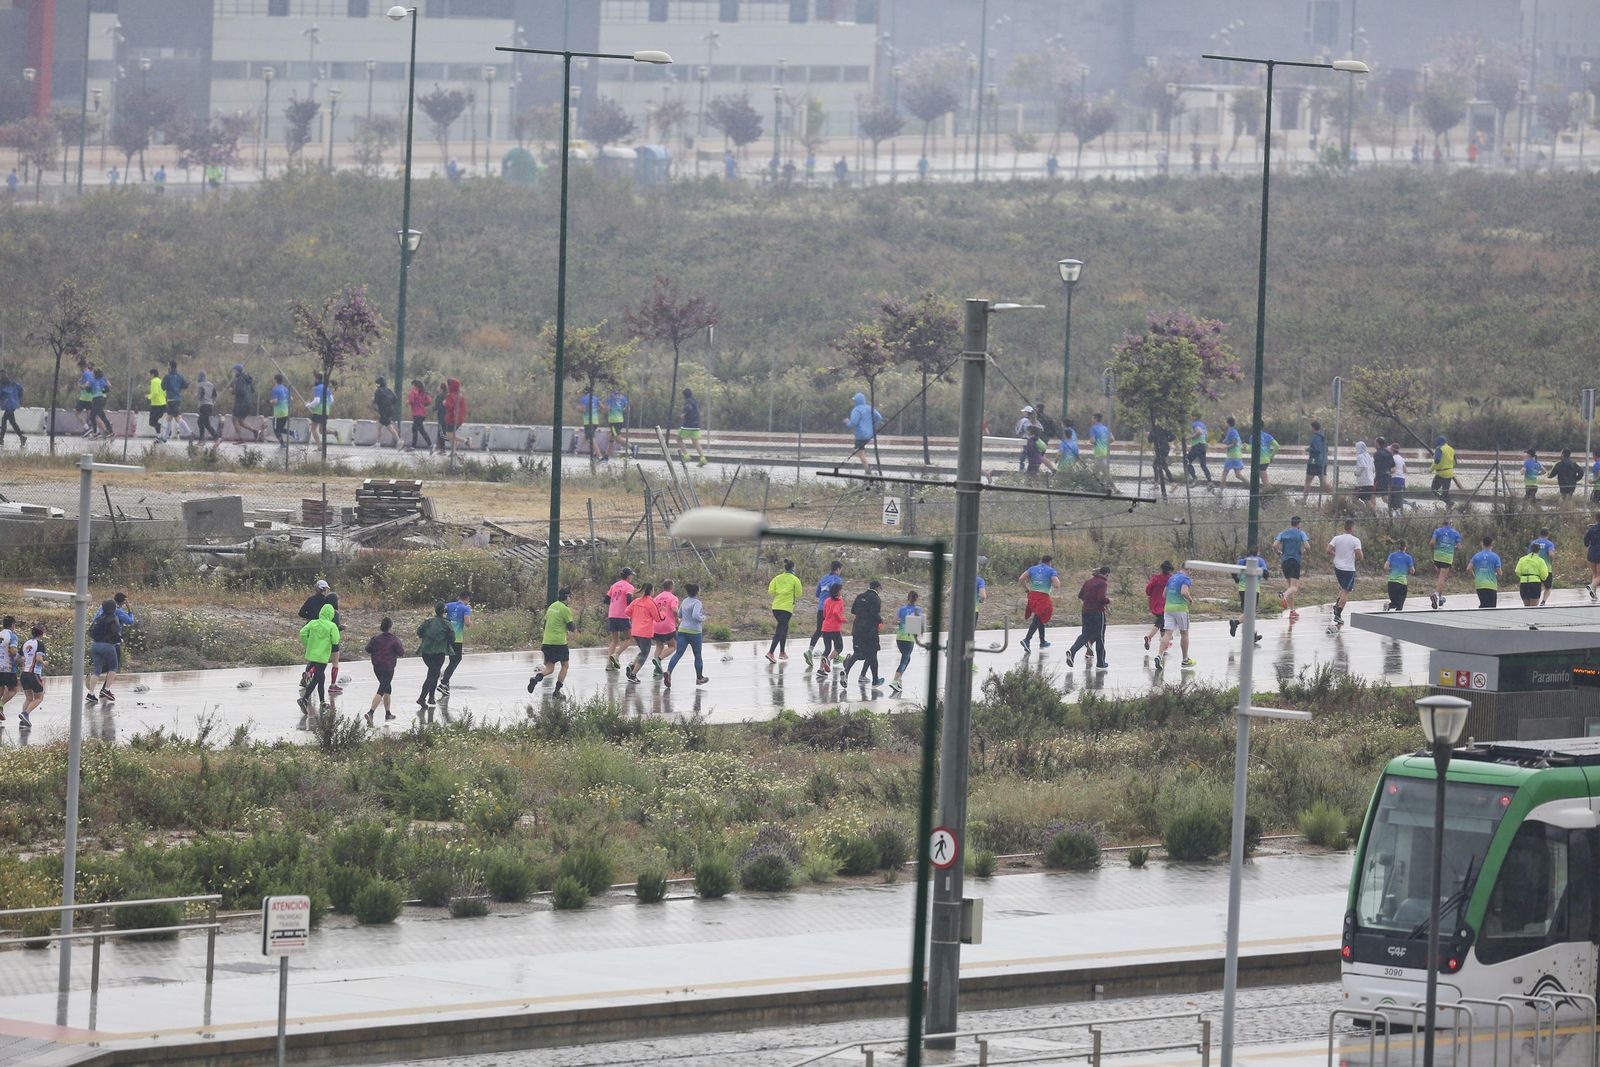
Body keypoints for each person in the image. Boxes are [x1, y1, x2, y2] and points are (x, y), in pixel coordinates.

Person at [528, 587, 577, 696]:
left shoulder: (552, 606)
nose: (570, 599)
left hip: (547, 641)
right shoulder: (565, 609)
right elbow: (571, 627)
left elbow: (545, 624)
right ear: (567, 597)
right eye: (570, 597)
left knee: (549, 668)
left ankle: (536, 679)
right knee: (565, 666)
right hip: (559, 643)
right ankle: (557, 691)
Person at [838, 579, 884, 687]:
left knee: (857, 653)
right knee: (873, 654)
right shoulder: (876, 598)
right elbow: (874, 613)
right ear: (877, 588)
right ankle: (875, 680)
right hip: (870, 631)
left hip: (857, 628)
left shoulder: (860, 596)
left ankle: (846, 671)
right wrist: (880, 620)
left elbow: (853, 610)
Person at [1065, 565, 1112, 669]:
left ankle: (1072, 651)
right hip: (1098, 613)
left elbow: (1080, 595)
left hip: (1086, 612)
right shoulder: (1103, 583)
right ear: (1107, 573)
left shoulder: (1088, 582)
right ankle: (1100, 662)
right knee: (1100, 637)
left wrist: (1089, 602)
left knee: (1085, 635)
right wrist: (1108, 600)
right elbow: (1101, 599)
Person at [296, 604, 339, 714]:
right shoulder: (332, 626)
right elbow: (335, 641)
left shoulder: (313, 623)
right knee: (317, 678)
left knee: (321, 678)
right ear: (331, 614)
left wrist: (308, 644)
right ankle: (304, 699)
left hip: (312, 654)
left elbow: (302, 633)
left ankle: (322, 702)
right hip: (322, 656)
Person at [663, 582, 708, 688]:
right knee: (697, 655)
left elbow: (679, 614)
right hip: (694, 632)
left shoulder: (685, 601)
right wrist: (703, 618)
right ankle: (699, 677)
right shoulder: (697, 603)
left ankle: (669, 672)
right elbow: (696, 615)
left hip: (682, 630)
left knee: (678, 653)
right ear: (697, 592)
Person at [1154, 565, 1195, 671]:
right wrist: (1190, 600)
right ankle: (1185, 659)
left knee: (1167, 633)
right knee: (1184, 633)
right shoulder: (1186, 579)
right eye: (1191, 570)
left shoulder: (1171, 578)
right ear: (1188, 569)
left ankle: (1159, 655)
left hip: (1168, 608)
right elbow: (1183, 592)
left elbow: (1164, 594)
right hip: (1180, 609)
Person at [364, 617, 405, 723]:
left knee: (387, 688)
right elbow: (401, 652)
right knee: (382, 688)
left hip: (377, 667)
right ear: (390, 626)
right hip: (388, 668)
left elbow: (368, 649)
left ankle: (388, 713)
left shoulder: (375, 638)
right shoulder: (394, 639)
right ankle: (371, 712)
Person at [804, 560, 844, 666]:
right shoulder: (838, 580)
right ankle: (835, 656)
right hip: (831, 608)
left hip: (821, 608)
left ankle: (809, 651)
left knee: (819, 630)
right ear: (838, 569)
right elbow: (837, 593)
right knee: (835, 631)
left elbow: (817, 593)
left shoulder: (823, 578)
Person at [415, 603, 454, 709]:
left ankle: (431, 697)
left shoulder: (428, 621)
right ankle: (422, 698)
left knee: (433, 673)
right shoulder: (447, 623)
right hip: (439, 653)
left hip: (426, 652)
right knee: (433, 674)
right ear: (444, 612)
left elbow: (419, 632)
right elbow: (452, 638)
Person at [1018, 554, 1060, 652]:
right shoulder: (1051, 570)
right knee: (1039, 618)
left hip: (1032, 595)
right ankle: (1027, 640)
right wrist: (1052, 581)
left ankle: (1042, 641)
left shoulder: (1032, 568)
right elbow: (1056, 585)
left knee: (1040, 616)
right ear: (1050, 562)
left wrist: (1026, 589)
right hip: (1043, 597)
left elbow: (1021, 579)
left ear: (1041, 561)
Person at [1327, 518, 1363, 630]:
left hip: (1337, 566)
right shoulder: (1355, 540)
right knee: (1346, 591)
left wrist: (1337, 554)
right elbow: (1360, 556)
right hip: (1348, 568)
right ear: (1352, 528)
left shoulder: (1336, 538)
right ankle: (1338, 613)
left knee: (1343, 588)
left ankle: (1336, 606)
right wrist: (1354, 556)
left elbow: (1328, 550)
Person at [1273, 516, 1311, 619]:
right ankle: (1283, 595)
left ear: (1291, 523)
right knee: (1294, 587)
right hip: (1295, 560)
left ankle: (1292, 611)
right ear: (1299, 524)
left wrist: (1279, 553)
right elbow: (1307, 546)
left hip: (1285, 561)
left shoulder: (1283, 533)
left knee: (1290, 587)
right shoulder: (1301, 533)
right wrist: (1303, 552)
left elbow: (1275, 545)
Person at [86, 600, 123, 706]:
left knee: (97, 670)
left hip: (95, 645)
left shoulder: (98, 618)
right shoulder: (113, 618)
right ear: (113, 608)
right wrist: (119, 640)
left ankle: (91, 693)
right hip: (107, 646)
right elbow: (116, 632)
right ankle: (106, 689)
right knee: (113, 667)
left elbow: (90, 631)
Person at [624, 583, 662, 683]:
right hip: (645, 632)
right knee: (645, 653)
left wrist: (636, 616)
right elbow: (658, 618)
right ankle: (633, 674)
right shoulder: (651, 603)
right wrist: (664, 612)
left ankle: (632, 665)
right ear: (650, 591)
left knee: (642, 651)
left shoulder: (636, 601)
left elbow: (627, 611)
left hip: (635, 630)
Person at [766, 560, 803, 662]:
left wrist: (780, 593)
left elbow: (771, 591)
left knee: (784, 628)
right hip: (786, 609)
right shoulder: (795, 579)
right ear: (793, 568)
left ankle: (782, 652)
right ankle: (771, 652)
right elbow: (799, 594)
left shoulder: (777, 578)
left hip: (776, 607)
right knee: (780, 629)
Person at [438, 592, 472, 697]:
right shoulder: (466, 609)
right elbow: (467, 623)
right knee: (456, 660)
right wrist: (471, 622)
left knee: (450, 659)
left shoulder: (449, 605)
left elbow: (440, 612)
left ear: (458, 597)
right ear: (467, 599)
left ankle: (446, 683)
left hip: (446, 637)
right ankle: (443, 682)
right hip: (456, 638)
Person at [1229, 553, 1269, 641]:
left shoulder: (1241, 561)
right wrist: (1265, 575)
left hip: (1242, 589)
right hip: (1254, 589)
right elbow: (1265, 573)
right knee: (1250, 613)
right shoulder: (1259, 560)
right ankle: (1235, 623)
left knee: (1248, 612)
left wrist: (1237, 579)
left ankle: (1252, 635)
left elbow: (1233, 572)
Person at [890, 590, 922, 695]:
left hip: (899, 638)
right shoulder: (918, 610)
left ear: (907, 597)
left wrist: (901, 623)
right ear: (916, 599)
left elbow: (894, 622)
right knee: (905, 660)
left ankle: (898, 680)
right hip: (909, 639)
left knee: (906, 659)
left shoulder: (901, 609)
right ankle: (895, 681)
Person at [605, 567, 637, 670]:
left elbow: (606, 599)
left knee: (614, 640)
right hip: (623, 615)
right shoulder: (629, 586)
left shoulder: (614, 585)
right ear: (628, 576)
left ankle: (609, 665)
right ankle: (616, 655)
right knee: (629, 638)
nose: (632, 577)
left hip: (612, 614)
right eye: (631, 575)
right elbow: (628, 598)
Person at [846, 392, 884, 475]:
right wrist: (873, 423)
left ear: (856, 401)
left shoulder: (856, 410)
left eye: (854, 401)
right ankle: (867, 468)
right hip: (870, 434)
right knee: (859, 452)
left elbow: (854, 423)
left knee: (859, 452)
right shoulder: (869, 408)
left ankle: (868, 470)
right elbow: (879, 417)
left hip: (860, 435)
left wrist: (847, 422)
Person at [1428, 517, 1462, 610]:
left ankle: (1440, 598)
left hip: (1437, 556)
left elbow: (1432, 542)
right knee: (1443, 577)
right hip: (1447, 557)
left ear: (1443, 523)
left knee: (1440, 578)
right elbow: (1459, 547)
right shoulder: (1455, 533)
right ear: (1450, 524)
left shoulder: (1437, 531)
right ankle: (1436, 594)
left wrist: (1436, 545)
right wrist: (1452, 546)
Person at [17, 625, 45, 730]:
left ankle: (23, 720)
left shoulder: (26, 643)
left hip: (24, 673)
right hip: (34, 674)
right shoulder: (40, 644)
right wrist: (44, 663)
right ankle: (26, 714)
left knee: (28, 698)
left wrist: (25, 663)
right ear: (41, 634)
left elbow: (18, 658)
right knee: (39, 697)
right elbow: (38, 658)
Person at [816, 583, 845, 675]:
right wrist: (841, 619)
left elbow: (824, 614)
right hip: (834, 628)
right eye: (840, 590)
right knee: (839, 647)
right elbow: (836, 612)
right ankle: (828, 660)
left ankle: (820, 670)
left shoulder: (827, 601)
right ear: (837, 591)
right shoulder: (839, 601)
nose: (841, 591)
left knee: (827, 648)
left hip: (825, 627)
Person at [652, 579, 679, 675]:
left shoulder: (656, 598)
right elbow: (675, 610)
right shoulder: (673, 598)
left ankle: (656, 670)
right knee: (673, 646)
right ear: (672, 587)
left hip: (655, 625)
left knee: (659, 646)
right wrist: (677, 620)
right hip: (667, 626)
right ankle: (659, 659)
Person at [1143, 561, 1173, 651]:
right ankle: (1149, 637)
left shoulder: (1155, 578)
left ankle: (1164, 644)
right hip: (1166, 603)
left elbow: (1148, 590)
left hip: (1155, 603)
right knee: (1161, 620)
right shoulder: (1171, 579)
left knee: (1163, 622)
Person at [229, 364, 261, 442]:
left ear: (237, 371)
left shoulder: (239, 379)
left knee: (234, 419)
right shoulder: (248, 379)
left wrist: (232, 391)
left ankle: (240, 439)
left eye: (234, 371)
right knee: (240, 421)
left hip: (241, 403)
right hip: (248, 403)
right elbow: (253, 391)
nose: (233, 372)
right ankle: (255, 431)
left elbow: (240, 391)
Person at [162, 360, 192, 440]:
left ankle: (190, 433)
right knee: (169, 418)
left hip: (171, 400)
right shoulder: (179, 376)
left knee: (177, 418)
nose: (167, 367)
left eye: (168, 365)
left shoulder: (167, 376)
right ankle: (164, 438)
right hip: (177, 399)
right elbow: (185, 385)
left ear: (170, 367)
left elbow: (163, 387)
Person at [677, 388, 707, 466]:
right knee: (695, 442)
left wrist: (683, 414)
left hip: (688, 425)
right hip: (696, 425)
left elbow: (688, 408)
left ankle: (686, 456)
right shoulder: (695, 400)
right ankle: (702, 458)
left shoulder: (688, 401)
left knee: (678, 439)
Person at [1515, 541, 1551, 607]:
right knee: (1533, 607)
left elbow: (1517, 571)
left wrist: (1522, 577)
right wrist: (1542, 578)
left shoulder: (1522, 559)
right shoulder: (1540, 560)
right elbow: (1544, 574)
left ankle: (1526, 617)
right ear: (1539, 551)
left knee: (1526, 606)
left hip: (1524, 584)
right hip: (1535, 583)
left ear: (1530, 550)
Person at [1470, 536, 1502, 608]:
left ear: (1482, 544)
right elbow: (1500, 573)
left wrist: (1475, 576)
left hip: (1479, 584)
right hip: (1491, 585)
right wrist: (1496, 574)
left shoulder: (1476, 556)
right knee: (1491, 608)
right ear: (1492, 544)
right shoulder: (1495, 556)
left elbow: (1468, 568)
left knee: (1483, 604)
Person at [1384, 540, 1416, 611]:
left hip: (1391, 582)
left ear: (1397, 547)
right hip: (1402, 583)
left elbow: (1385, 567)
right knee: (1400, 605)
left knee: (1394, 602)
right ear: (1405, 547)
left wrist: (1391, 570)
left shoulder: (1392, 555)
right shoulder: (1408, 557)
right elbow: (1412, 571)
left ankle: (1388, 606)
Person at [373, 377, 401, 449]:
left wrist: (377, 408)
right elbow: (395, 399)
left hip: (383, 412)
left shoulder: (378, 391)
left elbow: (375, 402)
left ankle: (399, 441)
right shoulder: (389, 390)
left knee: (386, 427)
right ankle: (378, 443)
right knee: (383, 426)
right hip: (390, 411)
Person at [1185, 415, 1213, 486]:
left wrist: (1188, 437)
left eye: (1190, 416)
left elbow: (1199, 432)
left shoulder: (1194, 424)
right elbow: (1205, 435)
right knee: (1203, 465)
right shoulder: (1203, 424)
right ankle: (1210, 482)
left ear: (1193, 417)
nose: (1190, 418)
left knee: (1187, 461)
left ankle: (1194, 479)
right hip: (1202, 446)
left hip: (1197, 446)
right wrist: (1193, 445)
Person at [1430, 435, 1457, 508]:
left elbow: (1437, 461)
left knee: (1434, 490)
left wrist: (1430, 470)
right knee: (1445, 491)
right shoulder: (1451, 449)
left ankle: (1448, 502)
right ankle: (1449, 505)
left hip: (1440, 474)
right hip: (1449, 473)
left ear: (1439, 442)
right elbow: (1455, 463)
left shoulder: (1439, 448)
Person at [306, 371, 332, 447]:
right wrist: (326, 406)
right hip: (326, 411)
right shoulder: (326, 388)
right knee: (321, 430)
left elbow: (317, 400)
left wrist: (309, 405)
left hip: (318, 412)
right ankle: (335, 433)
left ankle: (319, 447)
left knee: (313, 429)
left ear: (317, 379)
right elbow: (332, 400)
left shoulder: (318, 388)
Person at [0, 375, 26, 447]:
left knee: (8, 422)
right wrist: (18, 398)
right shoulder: (13, 384)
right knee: (9, 421)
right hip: (13, 405)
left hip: (9, 406)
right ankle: (21, 437)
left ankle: (21, 437)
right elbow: (21, 389)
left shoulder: (3, 387)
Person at [406, 379, 433, 452]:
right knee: (414, 429)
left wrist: (408, 402)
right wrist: (423, 404)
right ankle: (413, 446)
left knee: (420, 429)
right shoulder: (424, 392)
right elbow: (429, 401)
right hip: (422, 414)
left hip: (417, 414)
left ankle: (430, 444)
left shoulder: (413, 391)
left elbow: (411, 401)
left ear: (415, 385)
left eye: (412, 385)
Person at [1532, 529, 1556, 605]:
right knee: (1548, 587)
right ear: (1548, 534)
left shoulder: (1534, 542)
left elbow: (1529, 553)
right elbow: (1551, 554)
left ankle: (1535, 601)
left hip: (1534, 569)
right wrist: (1552, 560)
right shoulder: (1549, 543)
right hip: (1546, 569)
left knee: (1537, 586)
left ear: (1540, 534)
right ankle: (1543, 601)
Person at [195, 371, 220, 444]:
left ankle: (216, 437)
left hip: (203, 406)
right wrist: (211, 402)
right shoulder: (211, 385)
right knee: (200, 422)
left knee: (206, 424)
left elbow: (199, 396)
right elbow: (215, 395)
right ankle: (201, 439)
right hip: (210, 405)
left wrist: (198, 399)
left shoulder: (200, 385)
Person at [0, 616, 17, 722]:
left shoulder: (1, 634)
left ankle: (1, 710)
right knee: (13, 689)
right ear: (12, 624)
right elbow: (13, 651)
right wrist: (21, 657)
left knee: (1, 688)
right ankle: (0, 705)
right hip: (8, 667)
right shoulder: (12, 636)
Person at [444, 378, 468, 453]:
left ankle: (466, 440)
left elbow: (449, 406)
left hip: (452, 418)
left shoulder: (451, 396)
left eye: (449, 385)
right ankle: (453, 452)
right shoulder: (460, 396)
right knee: (451, 435)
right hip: (459, 418)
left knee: (449, 435)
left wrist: (444, 403)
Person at [1149, 424, 1174, 496]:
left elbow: (1149, 440)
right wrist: (1165, 439)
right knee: (1155, 465)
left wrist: (1151, 435)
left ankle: (1173, 483)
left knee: (1163, 466)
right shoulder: (1165, 427)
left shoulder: (1154, 428)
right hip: (1165, 448)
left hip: (1160, 449)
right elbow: (1173, 437)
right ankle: (1156, 484)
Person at [1304, 421, 1328, 496]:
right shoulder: (1322, 436)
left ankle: (1304, 501)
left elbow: (1317, 450)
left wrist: (1308, 449)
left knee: (1308, 481)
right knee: (1324, 483)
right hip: (1323, 462)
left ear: (1313, 427)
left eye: (1310, 426)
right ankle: (1337, 498)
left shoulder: (1316, 437)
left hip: (1314, 462)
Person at [1088, 412, 1113, 484]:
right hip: (1105, 451)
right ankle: (1098, 487)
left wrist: (1093, 442)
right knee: (1097, 472)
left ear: (1095, 418)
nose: (1092, 419)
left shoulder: (1093, 428)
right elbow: (1112, 439)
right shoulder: (1105, 428)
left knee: (1103, 472)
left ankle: (1114, 489)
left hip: (1098, 451)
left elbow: (1092, 440)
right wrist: (1104, 442)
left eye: (1092, 417)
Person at [1220, 416, 1246, 485]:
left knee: (1224, 473)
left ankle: (1220, 492)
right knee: (1238, 475)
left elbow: (1234, 443)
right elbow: (1230, 441)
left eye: (1226, 422)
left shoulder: (1231, 432)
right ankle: (1251, 486)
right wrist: (1224, 440)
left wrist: (1225, 447)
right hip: (1237, 456)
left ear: (1228, 423)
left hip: (1232, 456)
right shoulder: (1233, 431)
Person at [602, 386, 626, 457]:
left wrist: (603, 408)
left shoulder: (610, 398)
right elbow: (627, 408)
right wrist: (620, 410)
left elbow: (608, 409)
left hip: (614, 421)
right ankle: (606, 456)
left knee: (618, 438)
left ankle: (632, 447)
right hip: (620, 420)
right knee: (611, 438)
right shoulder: (623, 397)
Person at [146, 368, 168, 442]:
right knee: (155, 421)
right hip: (163, 404)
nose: (149, 376)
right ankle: (159, 436)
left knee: (152, 422)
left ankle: (165, 428)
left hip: (156, 405)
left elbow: (155, 393)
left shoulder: (154, 381)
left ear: (152, 375)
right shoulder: (160, 381)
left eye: (150, 375)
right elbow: (165, 393)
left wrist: (148, 396)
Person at [270, 373, 292, 446]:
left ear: (275, 380)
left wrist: (269, 402)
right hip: (285, 412)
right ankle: (292, 433)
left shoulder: (275, 389)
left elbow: (275, 401)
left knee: (276, 430)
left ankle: (282, 444)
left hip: (278, 413)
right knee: (280, 429)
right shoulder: (286, 389)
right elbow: (291, 399)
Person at [1353, 441, 1375, 509]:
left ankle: (1364, 510)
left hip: (1363, 483)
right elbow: (1373, 469)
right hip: (1370, 482)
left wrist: (1357, 473)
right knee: (1366, 500)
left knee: (1354, 498)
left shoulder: (1360, 456)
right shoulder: (1369, 457)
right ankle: (1372, 515)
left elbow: (1363, 466)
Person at [1372, 435, 1393, 503]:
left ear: (1377, 443)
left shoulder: (1377, 454)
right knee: (1385, 497)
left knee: (1372, 494)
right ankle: (1393, 508)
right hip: (1388, 477)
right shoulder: (1388, 453)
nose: (1374, 444)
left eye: (1375, 442)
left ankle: (1373, 511)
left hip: (1380, 478)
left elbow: (1376, 466)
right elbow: (1393, 464)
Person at [1387, 442, 1407, 512]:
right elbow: (1405, 470)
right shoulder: (1401, 458)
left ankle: (1391, 517)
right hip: (1402, 480)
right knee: (1400, 498)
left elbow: (1393, 470)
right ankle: (1401, 515)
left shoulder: (1392, 458)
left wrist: (1386, 472)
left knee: (1391, 499)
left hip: (1394, 479)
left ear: (1392, 450)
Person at [1585, 512, 1600, 601]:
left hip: (1592, 552)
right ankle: (1592, 586)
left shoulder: (1591, 529)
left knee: (1595, 574)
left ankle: (1593, 594)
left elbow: (1586, 543)